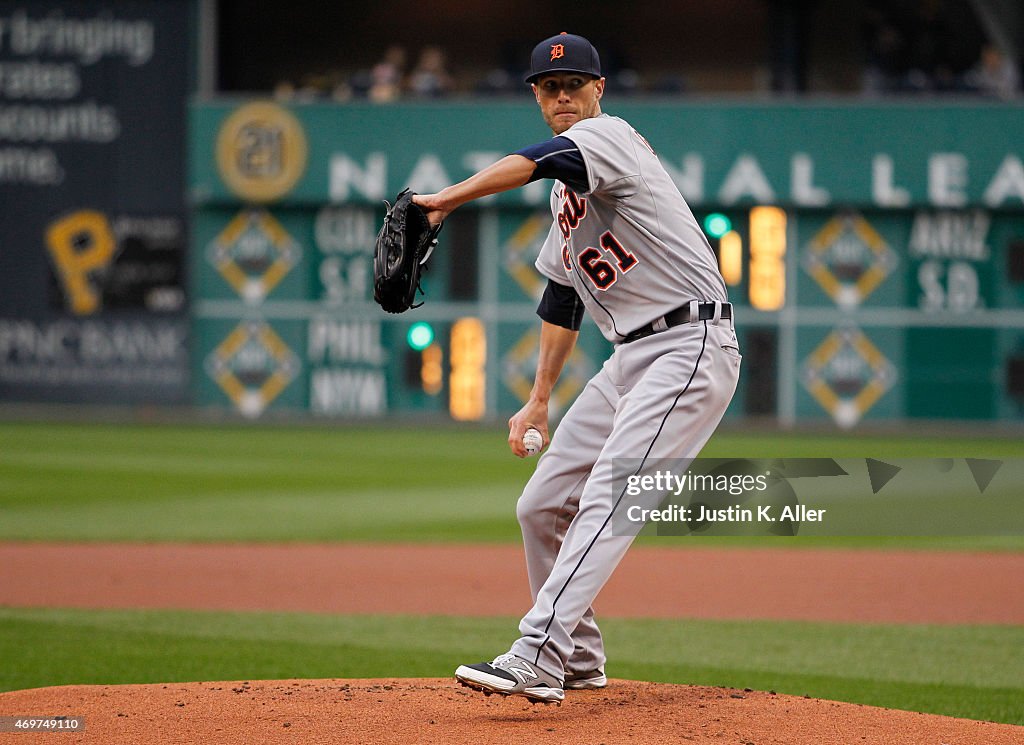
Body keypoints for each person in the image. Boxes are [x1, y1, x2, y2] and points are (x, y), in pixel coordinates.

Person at [414, 32, 741, 704]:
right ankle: (579, 657)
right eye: (549, 87)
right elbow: (562, 297)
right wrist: (538, 399)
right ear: (536, 95)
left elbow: (541, 160)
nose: (562, 96)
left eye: (574, 85)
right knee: (539, 504)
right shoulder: (568, 201)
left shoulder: (610, 137)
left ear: (599, 90)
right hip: (633, 356)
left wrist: (447, 198)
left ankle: (535, 651)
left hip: (691, 344)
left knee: (609, 493)